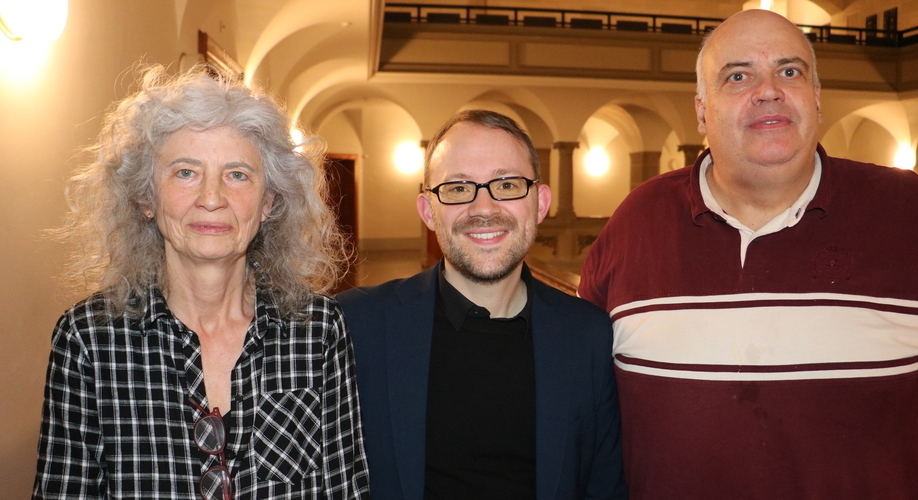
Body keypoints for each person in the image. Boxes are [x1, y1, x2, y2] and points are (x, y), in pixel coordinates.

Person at [578, 9, 918, 500]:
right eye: (738, 75)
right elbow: (584, 388)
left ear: (816, 99)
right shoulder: (636, 223)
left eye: (790, 71)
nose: (768, 89)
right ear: (701, 111)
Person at [34, 65, 370, 499]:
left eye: (237, 175)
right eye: (185, 173)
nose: (212, 198)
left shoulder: (318, 329)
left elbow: (344, 490)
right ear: (145, 198)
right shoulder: (88, 339)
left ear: (268, 202)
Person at [337, 110, 627, 499]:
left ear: (540, 204)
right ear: (428, 211)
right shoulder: (357, 325)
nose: (484, 208)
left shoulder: (588, 335)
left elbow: (604, 487)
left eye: (506, 184)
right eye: (458, 189)